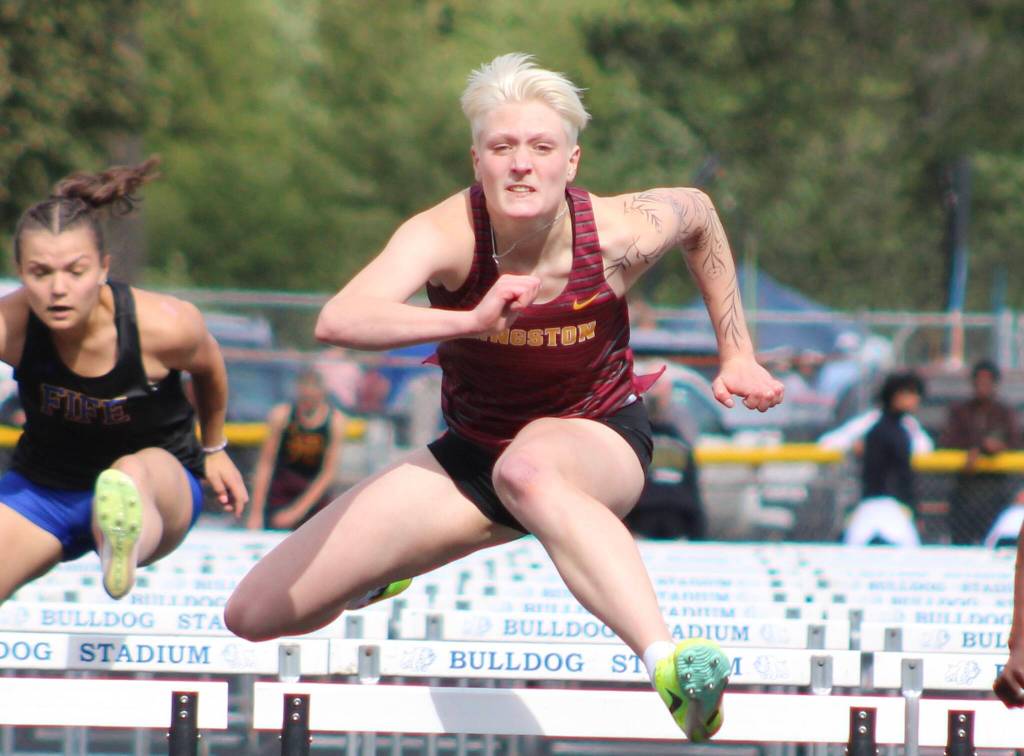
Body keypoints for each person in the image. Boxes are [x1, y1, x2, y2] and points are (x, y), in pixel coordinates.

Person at [224, 53, 783, 742]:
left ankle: (669, 664)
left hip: (596, 435)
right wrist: (468, 320)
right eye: (503, 147)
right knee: (252, 614)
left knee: (532, 467)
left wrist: (737, 352)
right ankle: (382, 575)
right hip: (473, 454)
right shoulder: (444, 235)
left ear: (571, 163)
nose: (522, 163)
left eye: (541, 148)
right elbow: (340, 318)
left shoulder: (616, 231)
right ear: (477, 161)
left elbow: (697, 213)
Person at [0, 158, 248, 602]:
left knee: (128, 475)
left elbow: (209, 367)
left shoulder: (165, 325)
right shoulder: (9, 325)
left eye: (75, 272)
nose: (58, 289)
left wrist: (215, 448)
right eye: (41, 273)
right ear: (21, 272)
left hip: (157, 484)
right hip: (45, 490)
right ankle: (110, 525)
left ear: (102, 269)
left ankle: (122, 541)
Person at [822, 371, 929, 546]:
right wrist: (915, 512)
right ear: (896, 395)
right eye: (910, 393)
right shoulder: (895, 432)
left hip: (870, 505)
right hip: (888, 506)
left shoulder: (882, 429)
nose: (915, 399)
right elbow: (903, 478)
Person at [245, 367, 347, 530]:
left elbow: (327, 474)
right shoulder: (282, 415)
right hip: (282, 492)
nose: (307, 402)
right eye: (304, 396)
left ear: (322, 394)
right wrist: (255, 512)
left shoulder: (334, 421)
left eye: (312, 396)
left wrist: (297, 511)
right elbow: (266, 464)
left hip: (313, 496)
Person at [940, 359, 1021, 544]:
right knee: (962, 542)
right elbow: (947, 440)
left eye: (987, 382)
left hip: (995, 490)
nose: (982, 387)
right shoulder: (961, 412)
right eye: (978, 382)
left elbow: (1015, 441)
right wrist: (977, 446)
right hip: (965, 489)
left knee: (992, 540)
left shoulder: (1004, 413)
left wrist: (997, 447)